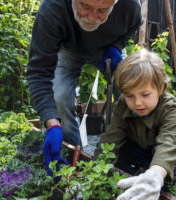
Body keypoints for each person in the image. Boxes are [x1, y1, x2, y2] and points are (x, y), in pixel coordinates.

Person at [26, 0, 143, 176]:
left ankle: (132, 153)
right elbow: (38, 71)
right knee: (60, 98)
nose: (92, 17)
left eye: (103, 10)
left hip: (107, 49)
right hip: (68, 50)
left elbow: (132, 26)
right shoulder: (52, 8)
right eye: (85, 7)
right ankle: (72, 162)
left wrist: (116, 47)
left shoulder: (130, 4)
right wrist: (50, 121)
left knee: (133, 88)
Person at [93, 49, 176, 200]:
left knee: (166, 154)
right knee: (118, 147)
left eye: (145, 95)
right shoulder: (122, 106)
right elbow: (110, 139)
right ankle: (128, 182)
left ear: (161, 89)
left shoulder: (171, 107)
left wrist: (155, 175)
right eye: (130, 95)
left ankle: (156, 182)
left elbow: (169, 142)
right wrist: (91, 175)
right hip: (146, 148)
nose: (137, 103)